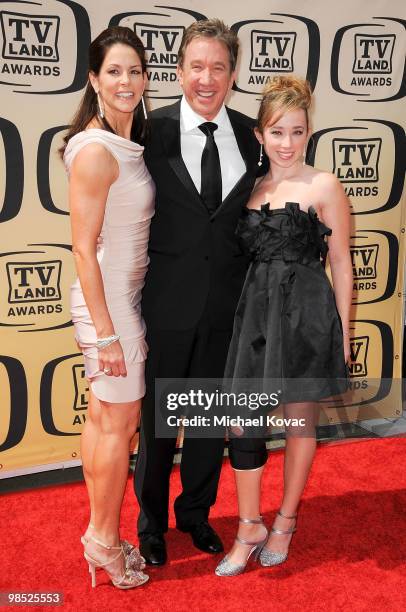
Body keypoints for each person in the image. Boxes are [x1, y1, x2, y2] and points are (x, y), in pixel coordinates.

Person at [134, 19, 264, 565]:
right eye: (196, 66)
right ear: (180, 70)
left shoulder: (252, 135)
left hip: (225, 307)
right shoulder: (149, 131)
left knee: (209, 425)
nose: (206, 78)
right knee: (159, 424)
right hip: (165, 303)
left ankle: (196, 516)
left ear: (233, 74)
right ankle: (150, 526)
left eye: (218, 67)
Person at [215, 75, 352, 576]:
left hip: (307, 316)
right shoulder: (250, 188)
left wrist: (342, 330)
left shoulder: (323, 185)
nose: (287, 143)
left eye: (297, 132)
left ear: (309, 133)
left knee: (299, 422)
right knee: (241, 420)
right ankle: (249, 524)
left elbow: (341, 263)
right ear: (260, 134)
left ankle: (285, 521)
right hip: (255, 313)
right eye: (277, 132)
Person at [61, 26, 154, 589]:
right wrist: (107, 333)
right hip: (109, 307)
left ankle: (99, 535)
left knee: (103, 420)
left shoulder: (119, 140)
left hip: (115, 301)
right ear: (94, 79)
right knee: (120, 426)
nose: (126, 81)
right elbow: (81, 248)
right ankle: (104, 541)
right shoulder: (96, 151)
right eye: (114, 71)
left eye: (135, 71)